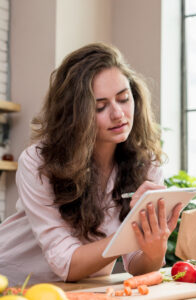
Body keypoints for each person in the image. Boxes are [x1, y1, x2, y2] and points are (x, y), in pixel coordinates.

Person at [0, 43, 183, 285]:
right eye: (100, 106)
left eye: (124, 99)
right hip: (15, 283)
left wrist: (154, 245)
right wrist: (129, 232)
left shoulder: (146, 165)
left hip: (88, 288)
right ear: (75, 114)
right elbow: (65, 263)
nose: (118, 114)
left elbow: (139, 267)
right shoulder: (37, 162)